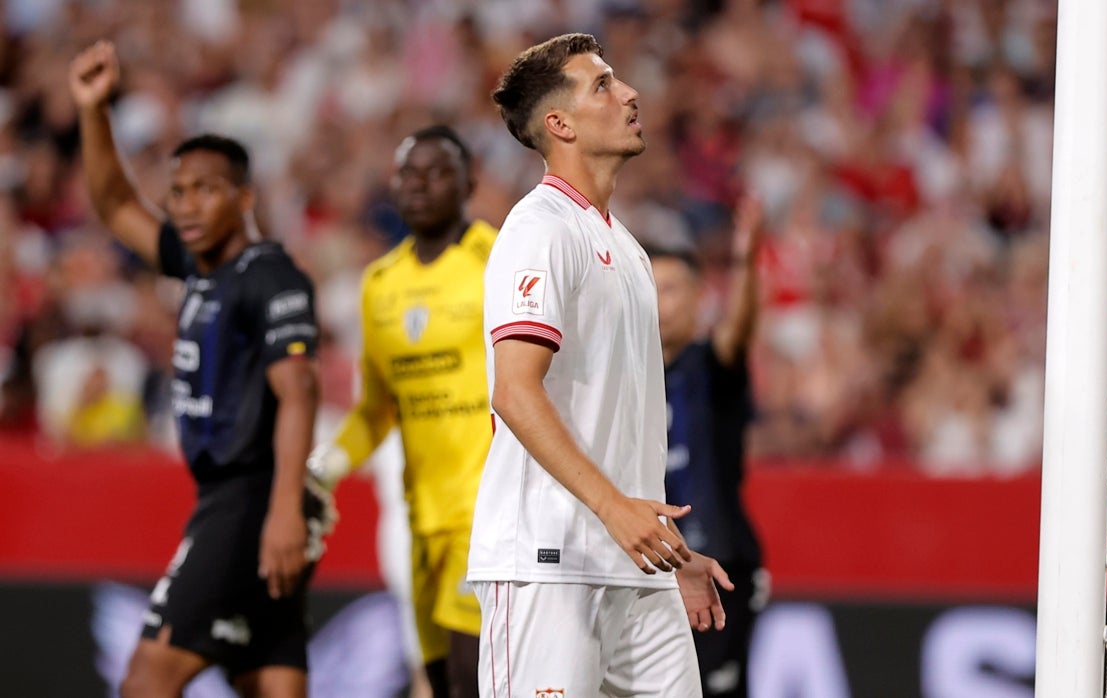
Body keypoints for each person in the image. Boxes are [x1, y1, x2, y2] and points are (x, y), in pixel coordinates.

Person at [468, 32, 733, 697]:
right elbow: (515, 393)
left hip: (634, 568)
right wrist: (614, 509)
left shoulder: (627, 247)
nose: (630, 93)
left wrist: (665, 549)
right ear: (559, 124)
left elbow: (619, 423)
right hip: (547, 562)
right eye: (603, 85)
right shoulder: (539, 231)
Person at [70, 41, 329, 698]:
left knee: (146, 677)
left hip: (248, 502)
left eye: (205, 191)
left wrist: (280, 514)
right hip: (245, 499)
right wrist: (94, 111)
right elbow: (113, 203)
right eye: (178, 192)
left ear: (244, 197)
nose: (185, 206)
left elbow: (299, 391)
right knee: (271, 679)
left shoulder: (267, 275)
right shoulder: (198, 266)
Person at [306, 125, 496, 698]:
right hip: (418, 517)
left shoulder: (500, 258)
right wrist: (323, 470)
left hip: (486, 508)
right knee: (436, 682)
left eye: (437, 173)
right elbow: (375, 409)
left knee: (471, 677)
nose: (419, 186)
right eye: (408, 175)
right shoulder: (380, 284)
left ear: (469, 182)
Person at [648, 197, 768, 698]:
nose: (658, 301)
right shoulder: (625, 378)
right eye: (648, 289)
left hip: (715, 558)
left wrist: (744, 264)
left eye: (671, 289)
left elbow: (736, 335)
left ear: (700, 298)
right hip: (649, 560)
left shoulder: (708, 366)